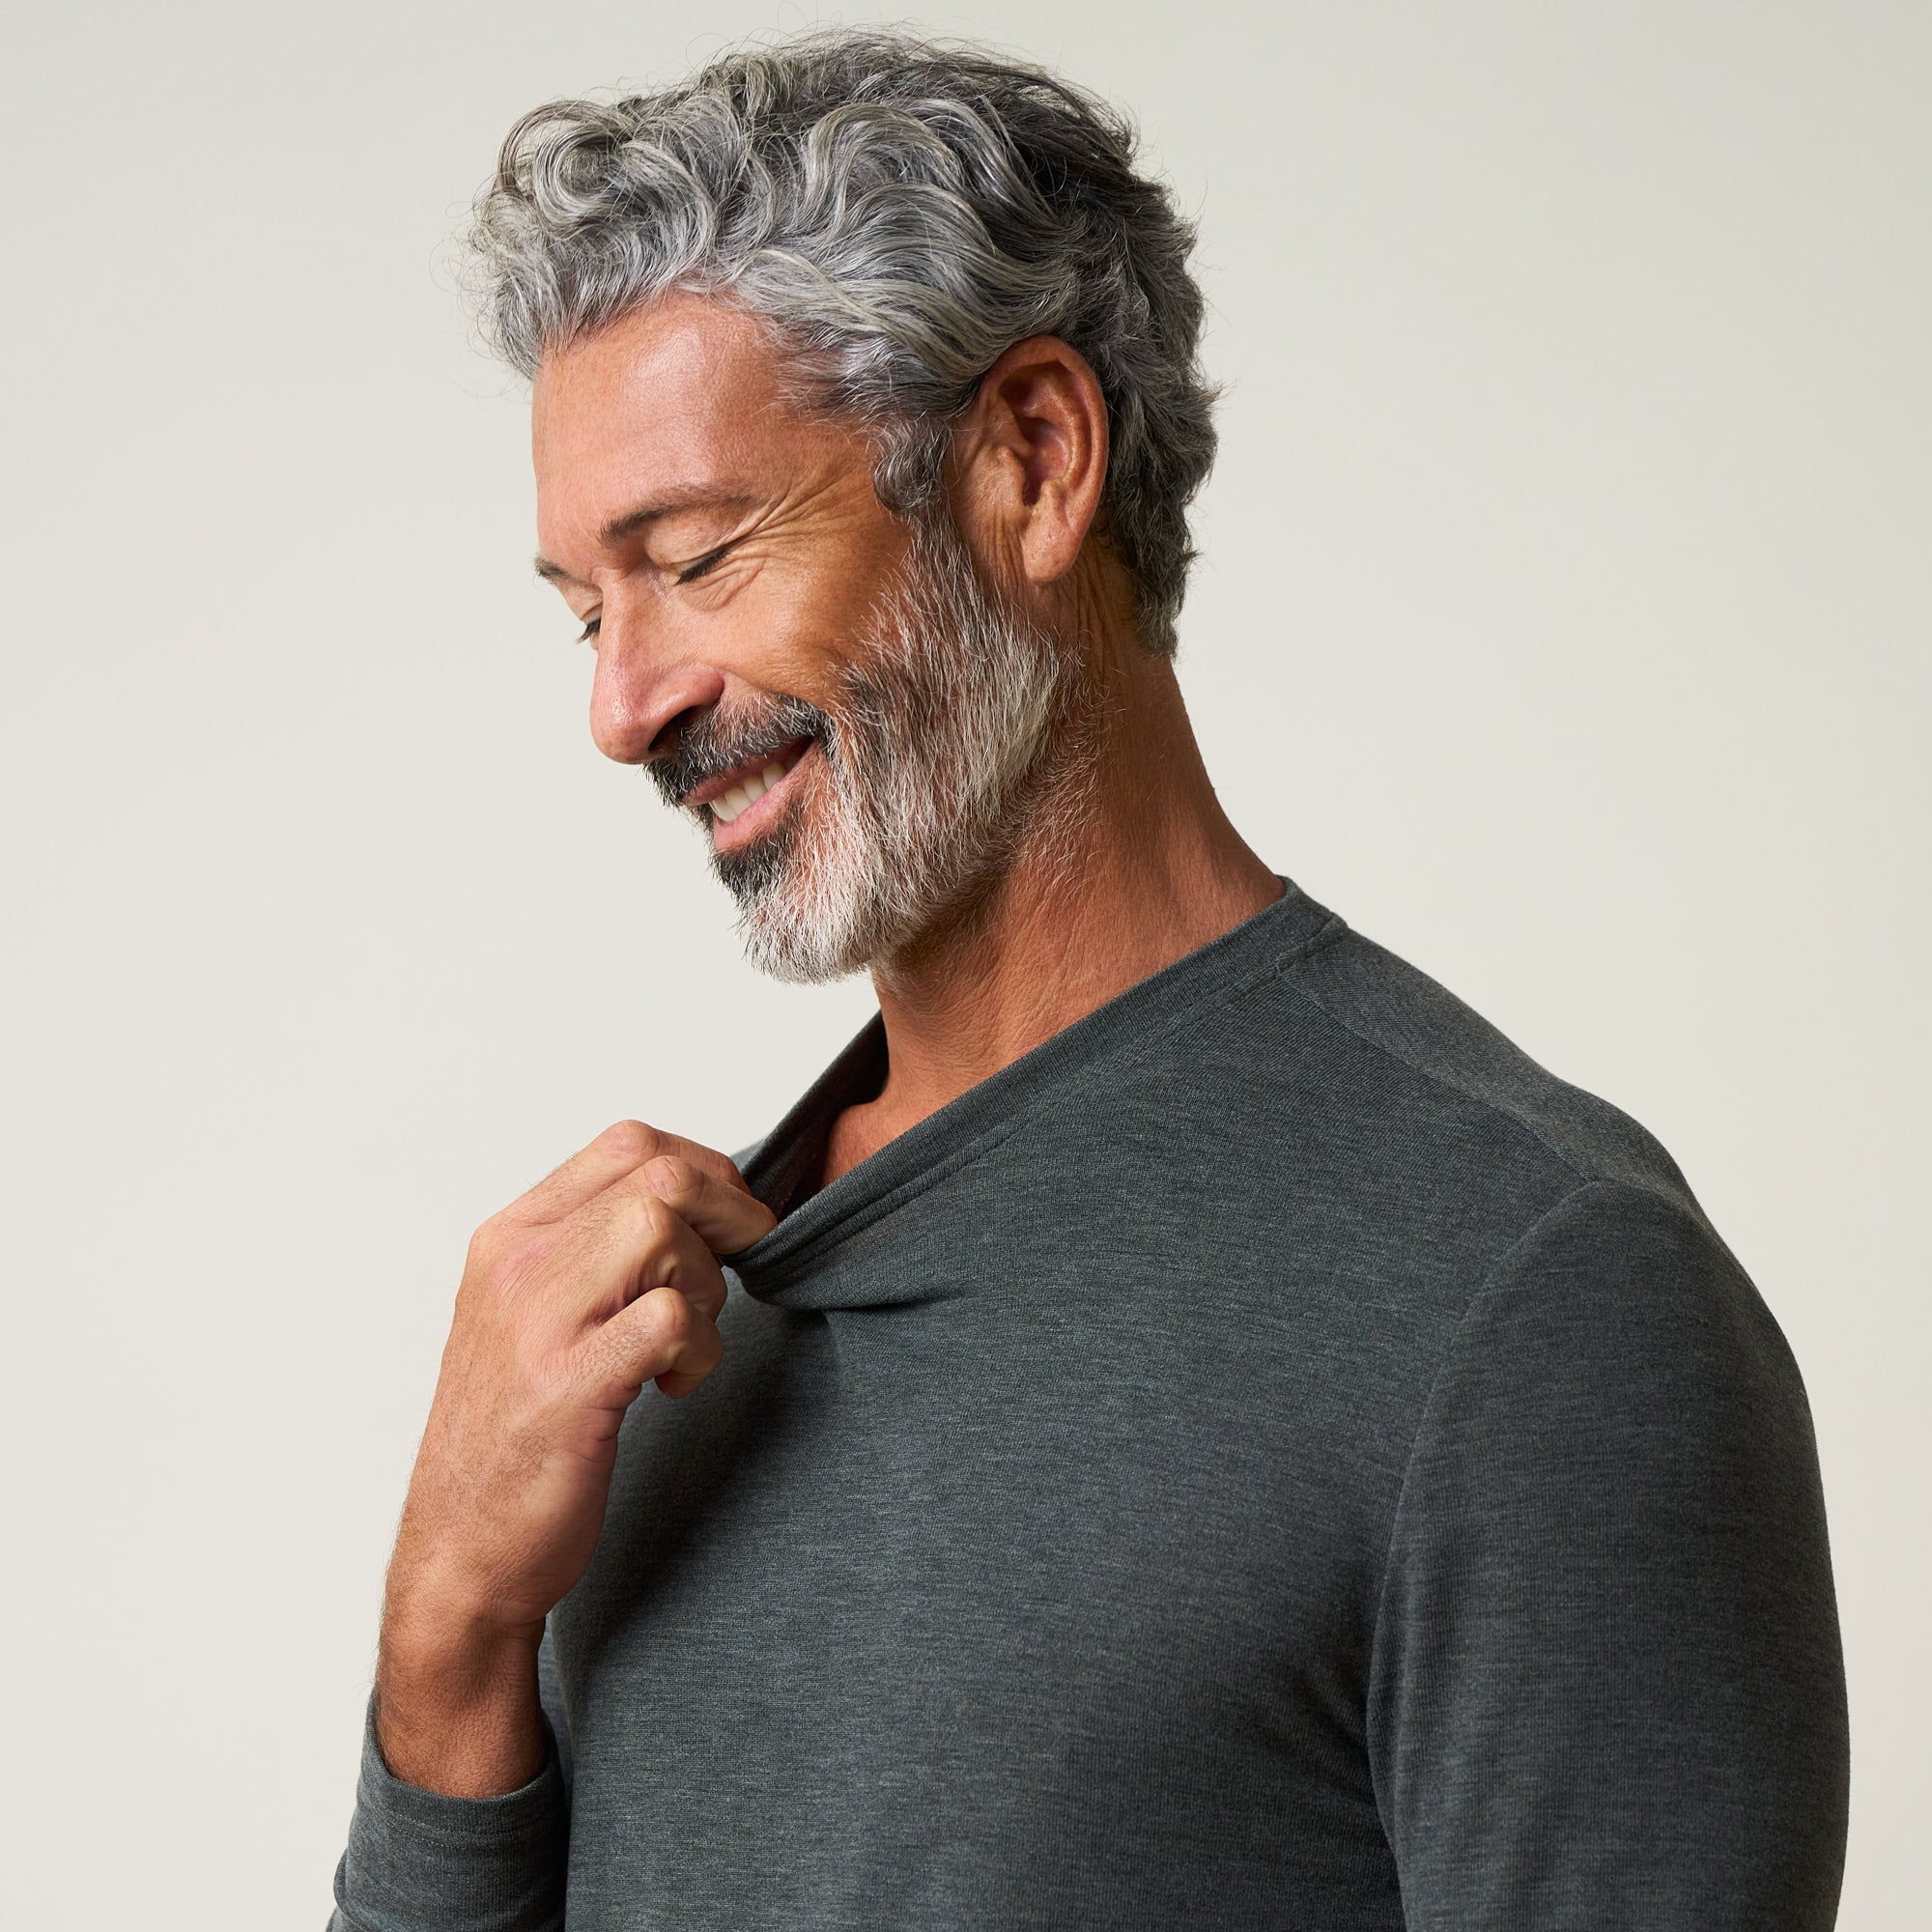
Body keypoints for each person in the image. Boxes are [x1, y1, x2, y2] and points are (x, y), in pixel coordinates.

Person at [328, 27, 1849, 1931]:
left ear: (1032, 461)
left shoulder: (1528, 1299)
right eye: (582, 608)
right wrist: (450, 1640)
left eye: (700, 558)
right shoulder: (650, 1331)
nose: (621, 702)